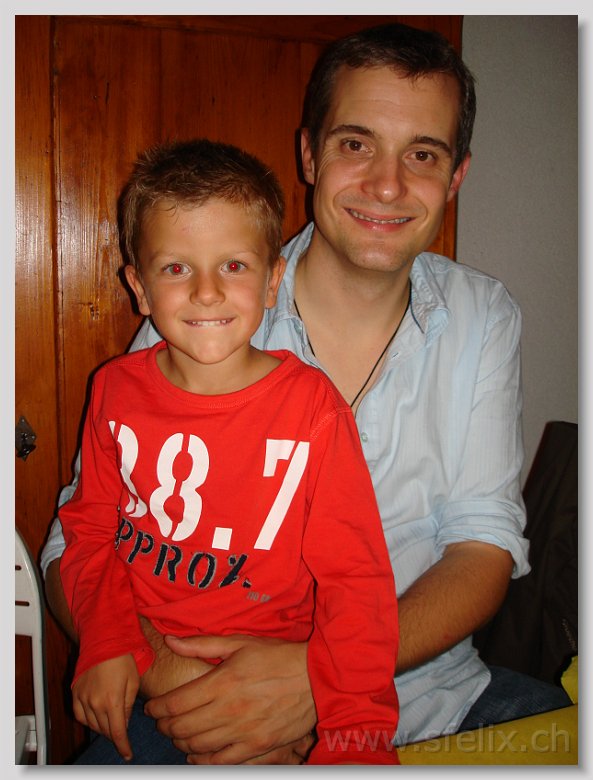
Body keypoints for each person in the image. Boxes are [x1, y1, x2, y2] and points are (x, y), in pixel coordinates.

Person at [42, 22, 572, 765]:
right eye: (356, 144)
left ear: (456, 176)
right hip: (202, 693)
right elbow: (76, 540)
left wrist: (320, 677)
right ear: (309, 155)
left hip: (426, 690)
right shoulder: (200, 313)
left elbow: (483, 545)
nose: (387, 185)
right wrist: (181, 681)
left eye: (422, 154)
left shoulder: (485, 317)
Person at [56, 138, 399, 765]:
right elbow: (90, 531)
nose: (207, 292)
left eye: (234, 266)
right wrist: (105, 642)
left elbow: (357, 585)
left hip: (277, 698)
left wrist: (355, 738)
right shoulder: (113, 389)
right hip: (147, 680)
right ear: (138, 287)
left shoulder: (314, 410)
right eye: (175, 268)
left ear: (272, 282)